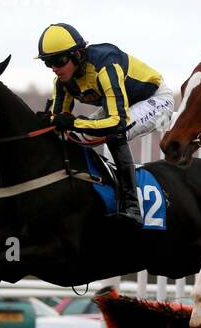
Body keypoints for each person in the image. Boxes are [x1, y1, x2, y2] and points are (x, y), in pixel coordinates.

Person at [36, 23, 174, 225]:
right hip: (122, 102)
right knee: (76, 135)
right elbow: (57, 121)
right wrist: (47, 121)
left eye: (59, 60)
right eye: (48, 63)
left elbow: (117, 122)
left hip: (155, 99)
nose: (55, 68)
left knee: (113, 134)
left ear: (77, 54)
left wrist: (75, 122)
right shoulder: (62, 81)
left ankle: (132, 206)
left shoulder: (104, 66)